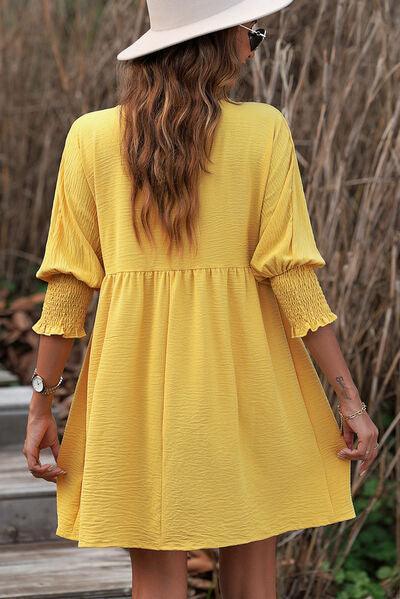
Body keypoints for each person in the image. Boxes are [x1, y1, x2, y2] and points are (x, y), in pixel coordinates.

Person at [24, 1, 379, 598]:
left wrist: (41, 404)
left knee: (156, 577)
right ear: (218, 41)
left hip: (132, 384)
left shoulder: (90, 138)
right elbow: (293, 279)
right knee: (251, 571)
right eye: (252, 34)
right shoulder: (263, 129)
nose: (252, 48)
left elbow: (67, 289)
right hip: (248, 376)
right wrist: (349, 399)